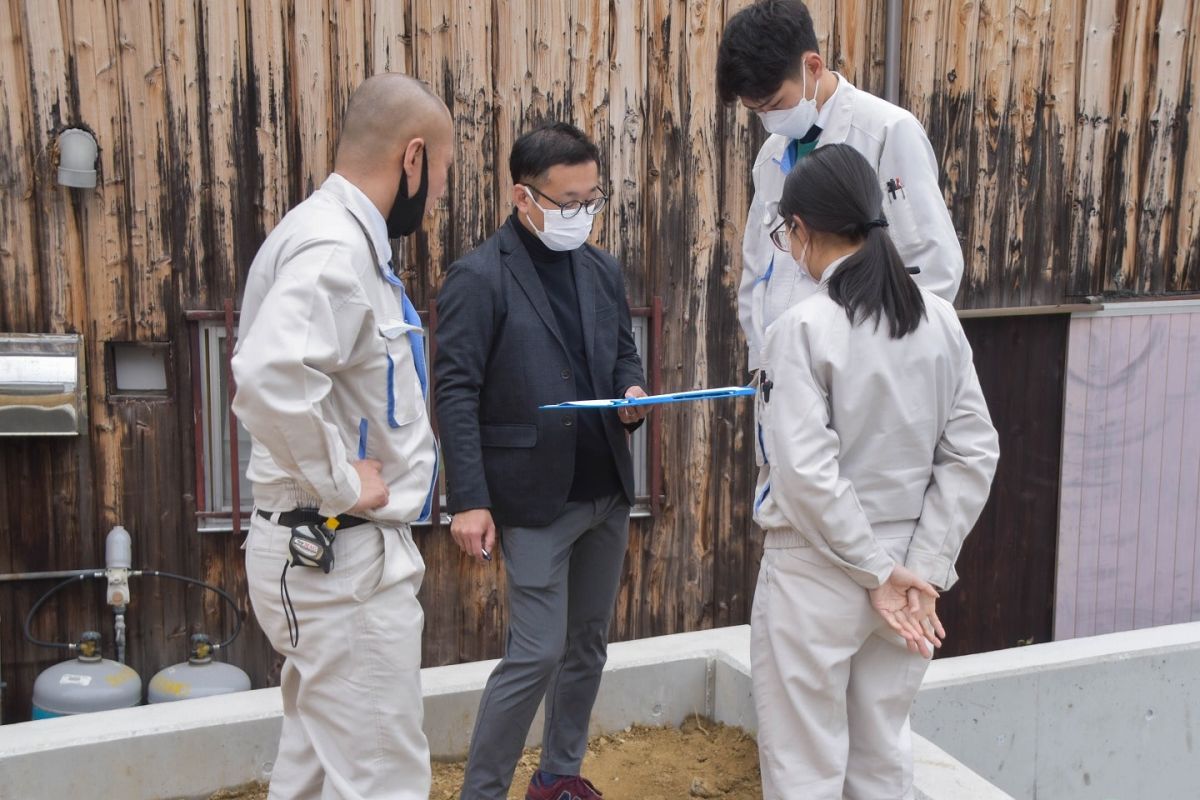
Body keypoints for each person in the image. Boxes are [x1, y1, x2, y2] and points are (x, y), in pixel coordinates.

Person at [750, 143, 999, 799]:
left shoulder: (803, 327)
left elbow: (804, 473)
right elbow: (973, 451)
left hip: (819, 565)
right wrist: (921, 564)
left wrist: (874, 570)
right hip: (911, 563)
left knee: (805, 763)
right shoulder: (938, 319)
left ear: (800, 229)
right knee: (883, 752)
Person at [231, 74, 453, 800]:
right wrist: (339, 481)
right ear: (412, 158)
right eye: (442, 173)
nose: (439, 194)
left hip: (329, 553)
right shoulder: (334, 247)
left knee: (317, 767)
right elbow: (270, 375)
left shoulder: (341, 240)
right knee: (383, 780)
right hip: (336, 551)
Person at [434, 122, 648, 800]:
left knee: (587, 645)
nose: (582, 214)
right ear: (524, 197)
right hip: (531, 498)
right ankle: (483, 792)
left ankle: (559, 777)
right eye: (568, 202)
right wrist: (468, 497)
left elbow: (622, 355)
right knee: (535, 652)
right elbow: (455, 389)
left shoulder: (601, 269)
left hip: (605, 489)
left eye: (593, 198)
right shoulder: (478, 277)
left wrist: (633, 394)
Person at [717, 0, 964, 373]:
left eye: (775, 104)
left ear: (812, 67)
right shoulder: (771, 155)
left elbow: (932, 267)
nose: (769, 119)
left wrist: (883, 365)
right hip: (785, 370)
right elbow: (758, 266)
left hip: (863, 372)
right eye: (757, 111)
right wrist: (761, 358)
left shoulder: (886, 132)